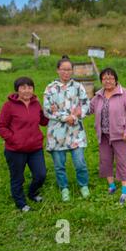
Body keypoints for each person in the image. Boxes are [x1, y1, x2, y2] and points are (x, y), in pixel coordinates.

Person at [0, 77, 48, 212]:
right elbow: (1, 126)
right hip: (15, 150)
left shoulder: (36, 103)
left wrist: (50, 112)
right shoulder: (9, 106)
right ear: (17, 89)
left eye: (30, 87)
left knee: (41, 174)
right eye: (23, 87)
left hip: (35, 148)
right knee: (17, 178)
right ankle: (21, 203)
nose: (27, 90)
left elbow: (43, 121)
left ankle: (32, 193)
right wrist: (13, 139)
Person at [43, 56, 91, 201]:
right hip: (57, 133)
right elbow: (47, 110)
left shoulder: (78, 87)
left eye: (69, 69)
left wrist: (75, 117)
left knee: (80, 162)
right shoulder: (50, 88)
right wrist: (66, 117)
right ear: (58, 70)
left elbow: (85, 104)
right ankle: (64, 188)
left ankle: (83, 185)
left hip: (76, 132)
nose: (66, 72)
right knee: (59, 165)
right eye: (63, 69)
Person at [90, 68, 126, 205]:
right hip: (103, 134)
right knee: (105, 160)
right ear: (101, 81)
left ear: (115, 80)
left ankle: (125, 189)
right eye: (104, 78)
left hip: (120, 134)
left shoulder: (123, 93)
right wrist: (75, 111)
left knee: (121, 161)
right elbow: (89, 109)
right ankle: (111, 186)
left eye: (110, 78)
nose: (107, 81)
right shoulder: (98, 95)